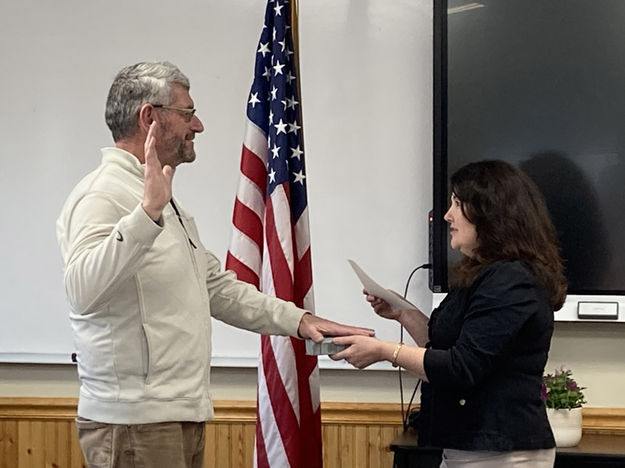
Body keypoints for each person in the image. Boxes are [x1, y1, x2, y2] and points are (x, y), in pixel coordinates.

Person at [56, 61, 374, 468]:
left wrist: (299, 321)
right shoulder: (102, 195)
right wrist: (146, 214)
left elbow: (216, 288)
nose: (198, 125)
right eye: (187, 113)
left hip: (177, 413)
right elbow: (81, 292)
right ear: (149, 118)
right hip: (134, 422)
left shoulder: (162, 200)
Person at [331, 160, 567, 467]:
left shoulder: (512, 279)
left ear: (489, 213)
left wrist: (384, 351)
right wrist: (403, 312)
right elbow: (444, 346)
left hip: (503, 452)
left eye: (457, 203)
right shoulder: (480, 273)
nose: (447, 215)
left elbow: (461, 367)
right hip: (469, 447)